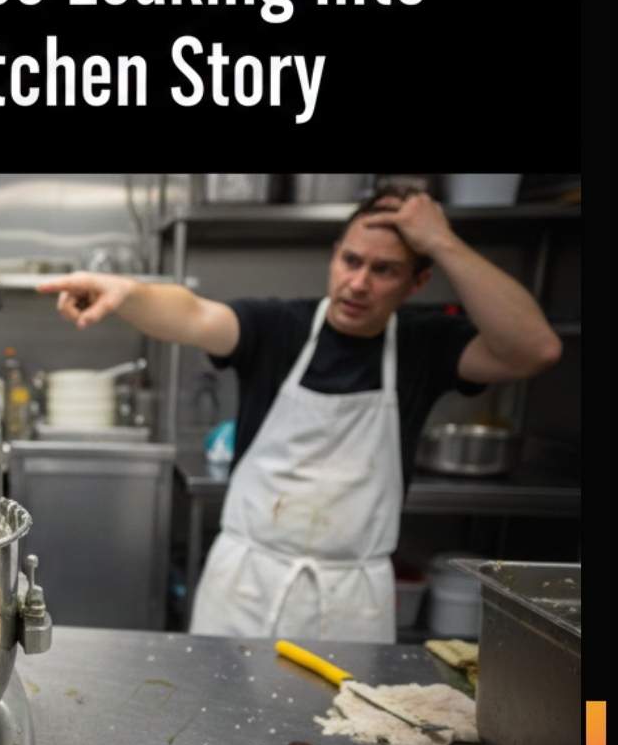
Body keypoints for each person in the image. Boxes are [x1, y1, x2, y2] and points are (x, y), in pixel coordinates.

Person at [38, 191, 561, 642]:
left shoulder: (426, 345)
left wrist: (443, 241)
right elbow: (193, 313)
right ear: (334, 256)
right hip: (245, 583)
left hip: (352, 599)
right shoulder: (278, 328)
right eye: (350, 261)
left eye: (384, 271)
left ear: (417, 281)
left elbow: (534, 349)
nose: (358, 283)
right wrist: (128, 292)